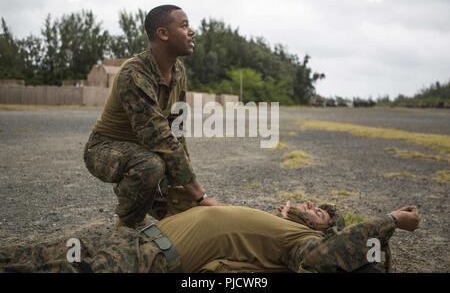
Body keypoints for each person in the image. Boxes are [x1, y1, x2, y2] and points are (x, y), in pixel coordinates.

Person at [83, 5, 220, 229]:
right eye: (184, 25)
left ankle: (146, 196)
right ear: (163, 34)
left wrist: (182, 184)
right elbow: (159, 136)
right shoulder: (134, 74)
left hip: (145, 149)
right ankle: (127, 226)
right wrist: (199, 195)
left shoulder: (179, 71)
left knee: (186, 217)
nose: (192, 31)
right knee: (151, 166)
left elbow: (176, 128)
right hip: (104, 148)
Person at [0, 202, 420, 273]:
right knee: (22, 253)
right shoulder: (276, 222)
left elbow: (330, 257)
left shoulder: (301, 244)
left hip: (149, 258)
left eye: (320, 209)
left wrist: (391, 220)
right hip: (131, 236)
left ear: (327, 226)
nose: (309, 204)